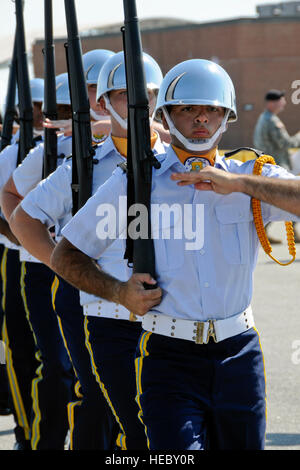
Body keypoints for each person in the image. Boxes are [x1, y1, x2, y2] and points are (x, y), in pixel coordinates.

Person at [50, 59, 300, 451]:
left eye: (213, 110)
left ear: (227, 117)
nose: (202, 119)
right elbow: (67, 254)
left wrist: (238, 184)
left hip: (240, 355)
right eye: (188, 109)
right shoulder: (138, 181)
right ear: (165, 113)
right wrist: (119, 293)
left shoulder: (251, 175)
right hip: (169, 358)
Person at [9, 51, 165, 450]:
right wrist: (61, 263)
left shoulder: (174, 160)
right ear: (100, 103)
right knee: (95, 400)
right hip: (96, 305)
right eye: (122, 95)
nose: (135, 104)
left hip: (164, 309)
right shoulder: (86, 159)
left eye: (145, 94)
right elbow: (22, 214)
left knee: (154, 417)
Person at [2, 54, 119, 450]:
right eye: (80, 98)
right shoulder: (53, 149)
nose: (93, 103)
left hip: (118, 277)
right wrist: (43, 247)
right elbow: (13, 201)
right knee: (55, 368)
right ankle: (38, 441)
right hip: (47, 270)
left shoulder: (138, 145)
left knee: (111, 389)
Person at [253, 89, 300, 242]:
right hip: (277, 166)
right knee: (286, 198)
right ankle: (288, 233)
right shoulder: (271, 121)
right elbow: (286, 143)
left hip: (271, 165)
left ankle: (287, 232)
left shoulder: (264, 118)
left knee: (277, 200)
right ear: (272, 103)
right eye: (282, 100)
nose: (284, 103)